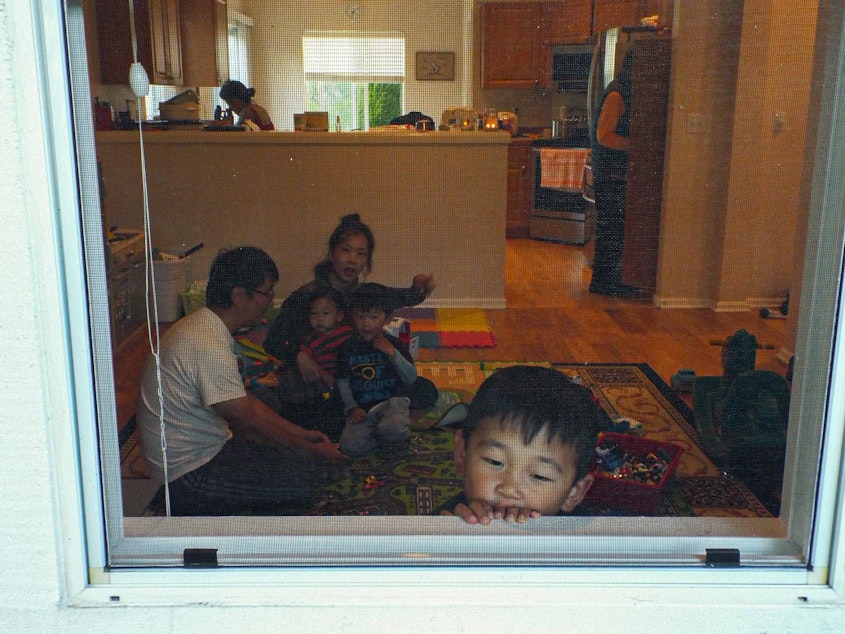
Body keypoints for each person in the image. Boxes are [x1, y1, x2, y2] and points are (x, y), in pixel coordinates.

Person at [136, 247, 346, 516]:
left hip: (210, 446)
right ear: (238, 295)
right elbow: (248, 423)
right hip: (187, 477)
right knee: (306, 475)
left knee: (268, 404)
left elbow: (247, 406)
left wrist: (300, 434)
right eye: (266, 293)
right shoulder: (206, 344)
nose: (270, 301)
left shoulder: (204, 325)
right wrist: (311, 450)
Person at [263, 213, 435, 383]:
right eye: (346, 250)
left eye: (361, 253)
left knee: (420, 386)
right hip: (320, 375)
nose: (352, 260)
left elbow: (400, 297)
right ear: (332, 253)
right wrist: (299, 356)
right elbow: (272, 342)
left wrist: (419, 288)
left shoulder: (363, 293)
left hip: (358, 369)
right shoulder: (307, 296)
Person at [438, 365, 603, 524]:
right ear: (462, 454)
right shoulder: (445, 524)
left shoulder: (588, 543)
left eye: (539, 475)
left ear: (573, 493)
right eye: (494, 461)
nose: (509, 489)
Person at [336, 283, 439, 457]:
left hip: (392, 402)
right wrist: (352, 408)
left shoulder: (394, 344)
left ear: (388, 319)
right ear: (351, 317)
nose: (366, 323)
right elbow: (343, 381)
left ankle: (389, 436)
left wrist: (392, 353)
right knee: (349, 446)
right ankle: (383, 439)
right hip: (364, 409)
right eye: (360, 316)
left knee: (394, 426)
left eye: (374, 317)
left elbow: (410, 378)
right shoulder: (347, 347)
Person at [588, 49, 640, 297]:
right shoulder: (617, 95)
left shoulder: (619, 90)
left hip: (612, 171)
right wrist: (634, 145)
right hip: (610, 172)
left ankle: (607, 280)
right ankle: (603, 282)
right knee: (612, 227)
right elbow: (604, 135)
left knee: (614, 226)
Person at [275, 283, 352, 441]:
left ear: (339, 315)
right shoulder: (310, 340)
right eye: (314, 314)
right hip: (322, 383)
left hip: (346, 379)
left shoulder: (347, 334)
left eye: (325, 313)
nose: (319, 319)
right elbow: (304, 361)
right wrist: (323, 375)